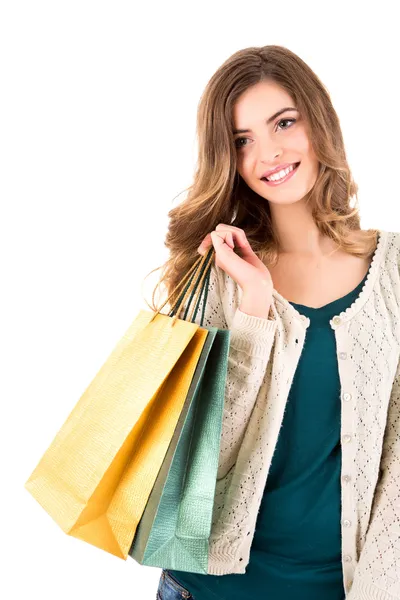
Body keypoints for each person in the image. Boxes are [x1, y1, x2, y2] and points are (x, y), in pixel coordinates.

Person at [148, 45, 400, 600]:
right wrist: (253, 311)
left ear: (319, 119)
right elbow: (197, 459)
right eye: (242, 140)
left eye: (284, 122)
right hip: (204, 590)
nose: (269, 152)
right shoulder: (219, 273)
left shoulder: (393, 271)